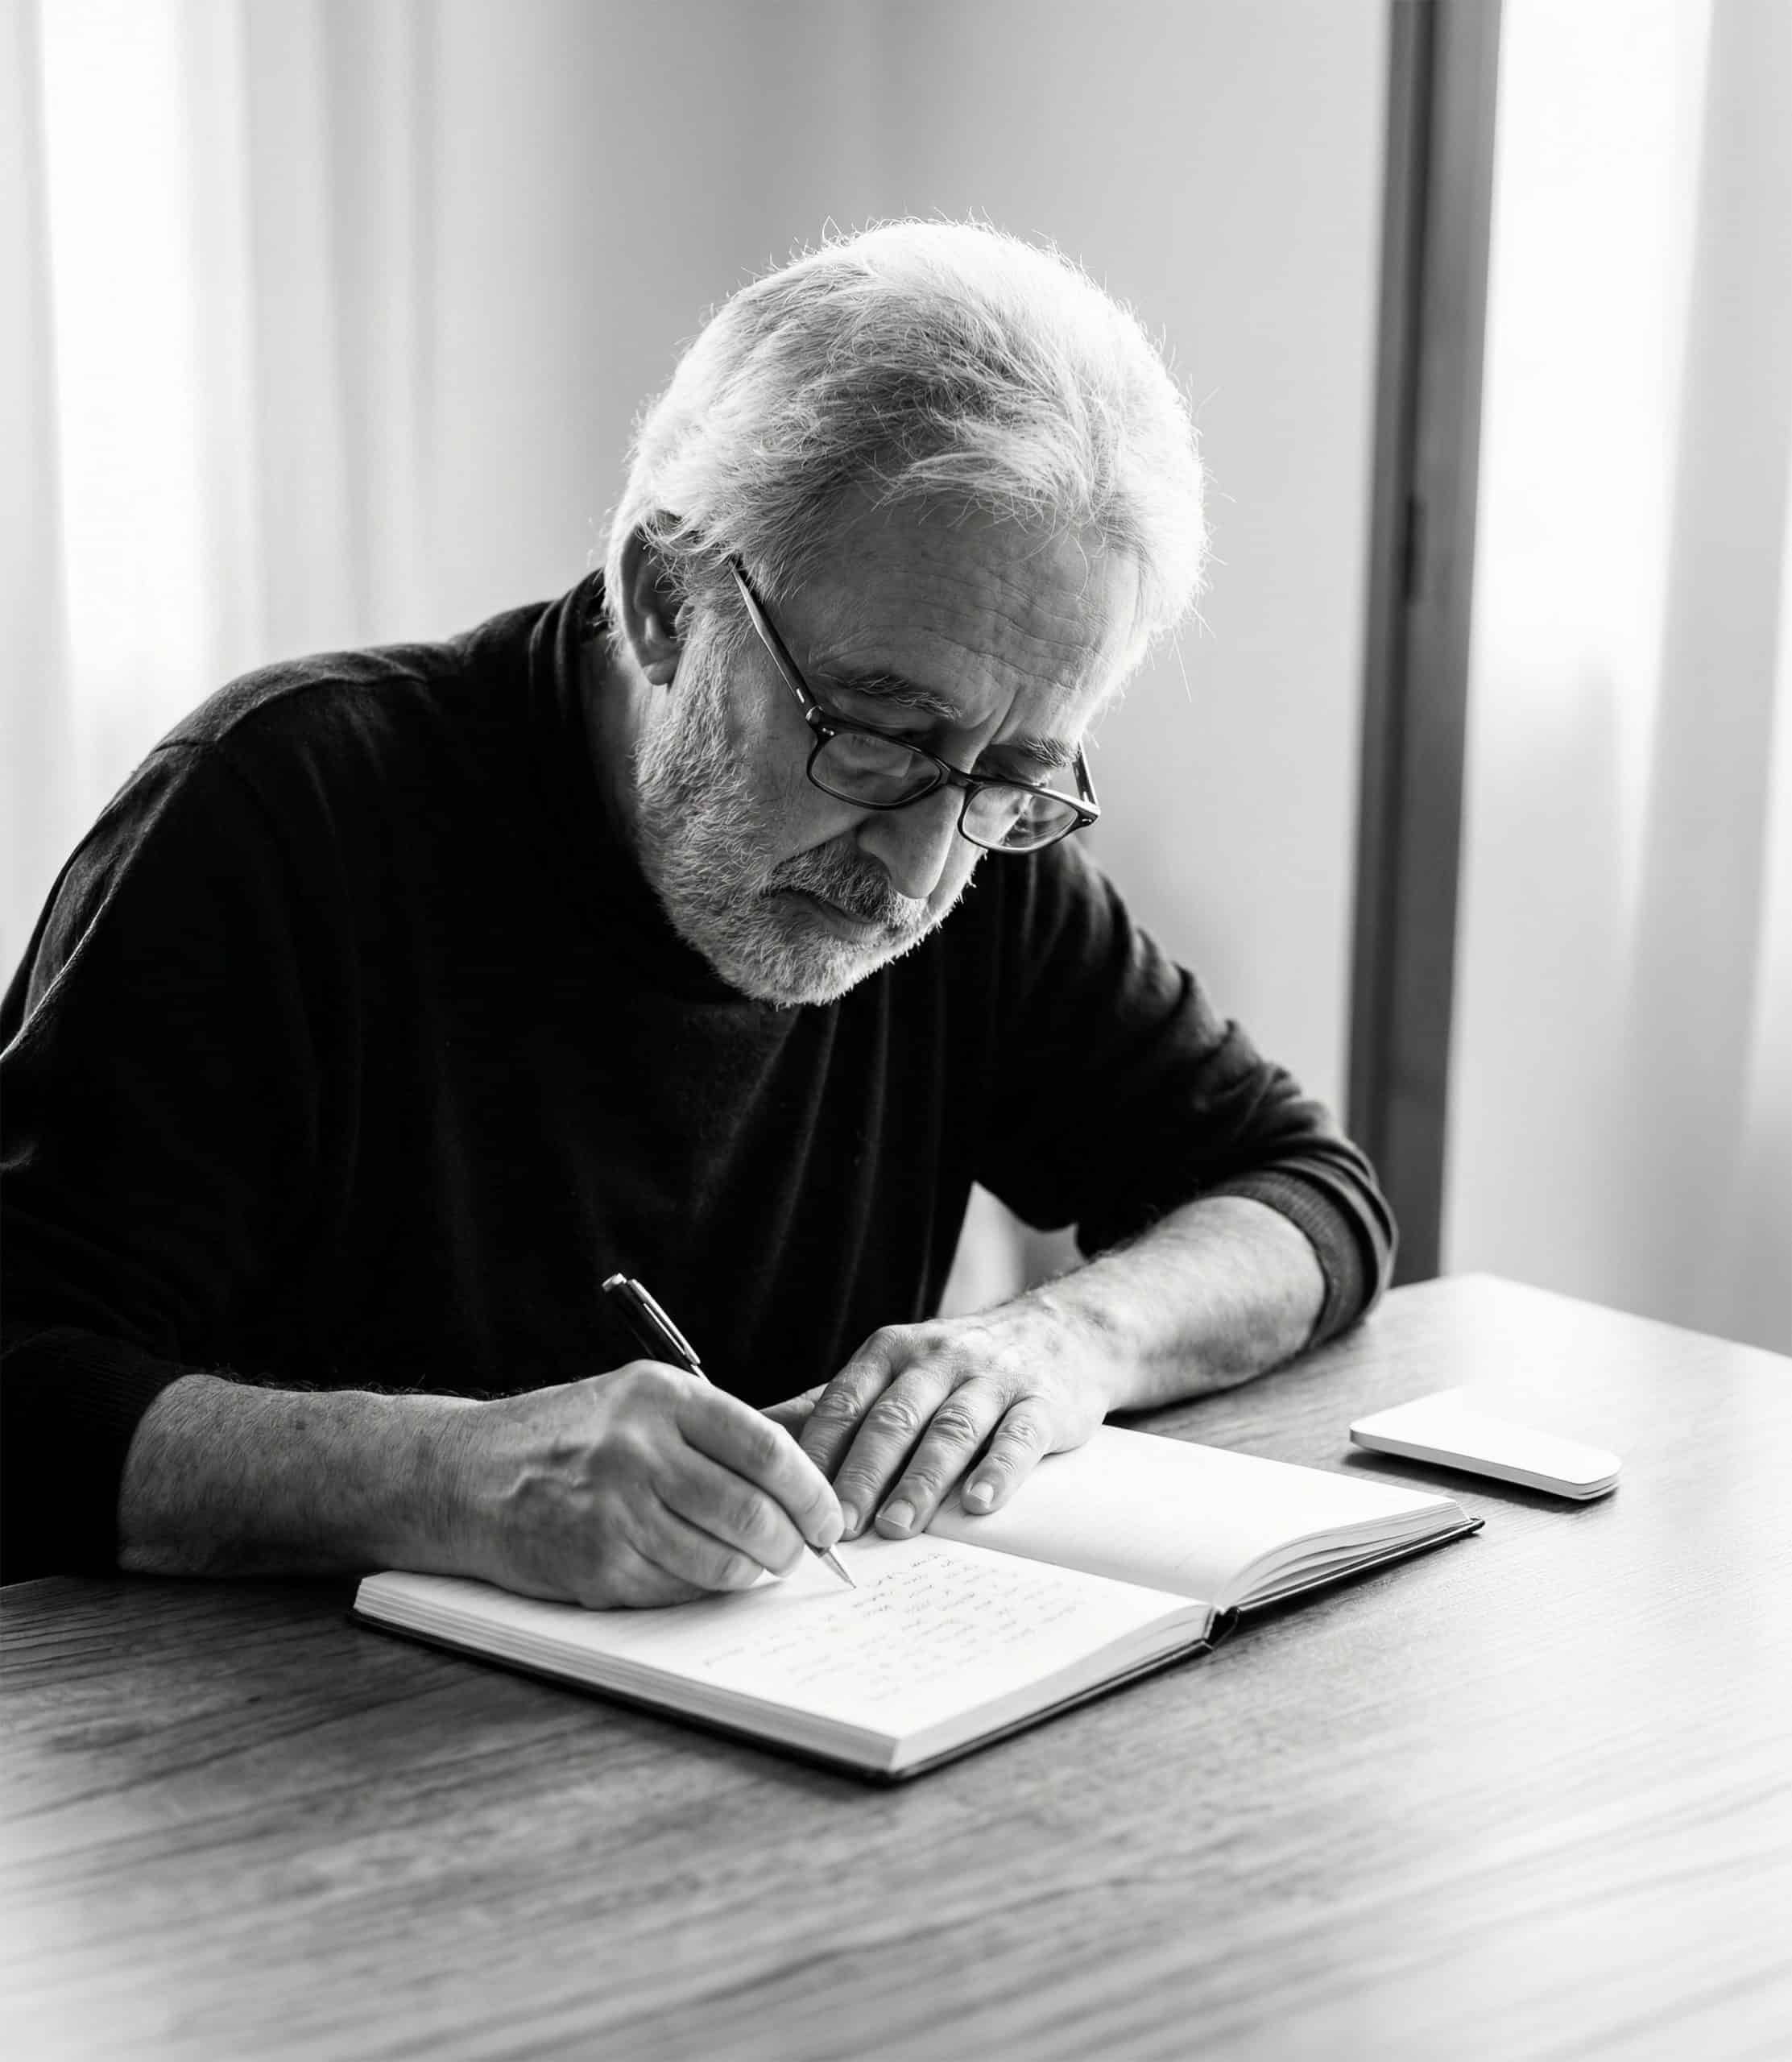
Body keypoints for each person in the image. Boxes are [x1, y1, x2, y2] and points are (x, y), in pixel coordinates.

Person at [1, 221, 1393, 1600]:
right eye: (874, 734)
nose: (914, 875)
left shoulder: (977, 836)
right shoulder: (280, 809)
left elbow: (1305, 1196)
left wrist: (1068, 1340)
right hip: (260, 1761)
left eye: (1016, 773)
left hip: (784, 1733)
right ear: (667, 598)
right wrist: (446, 1474)